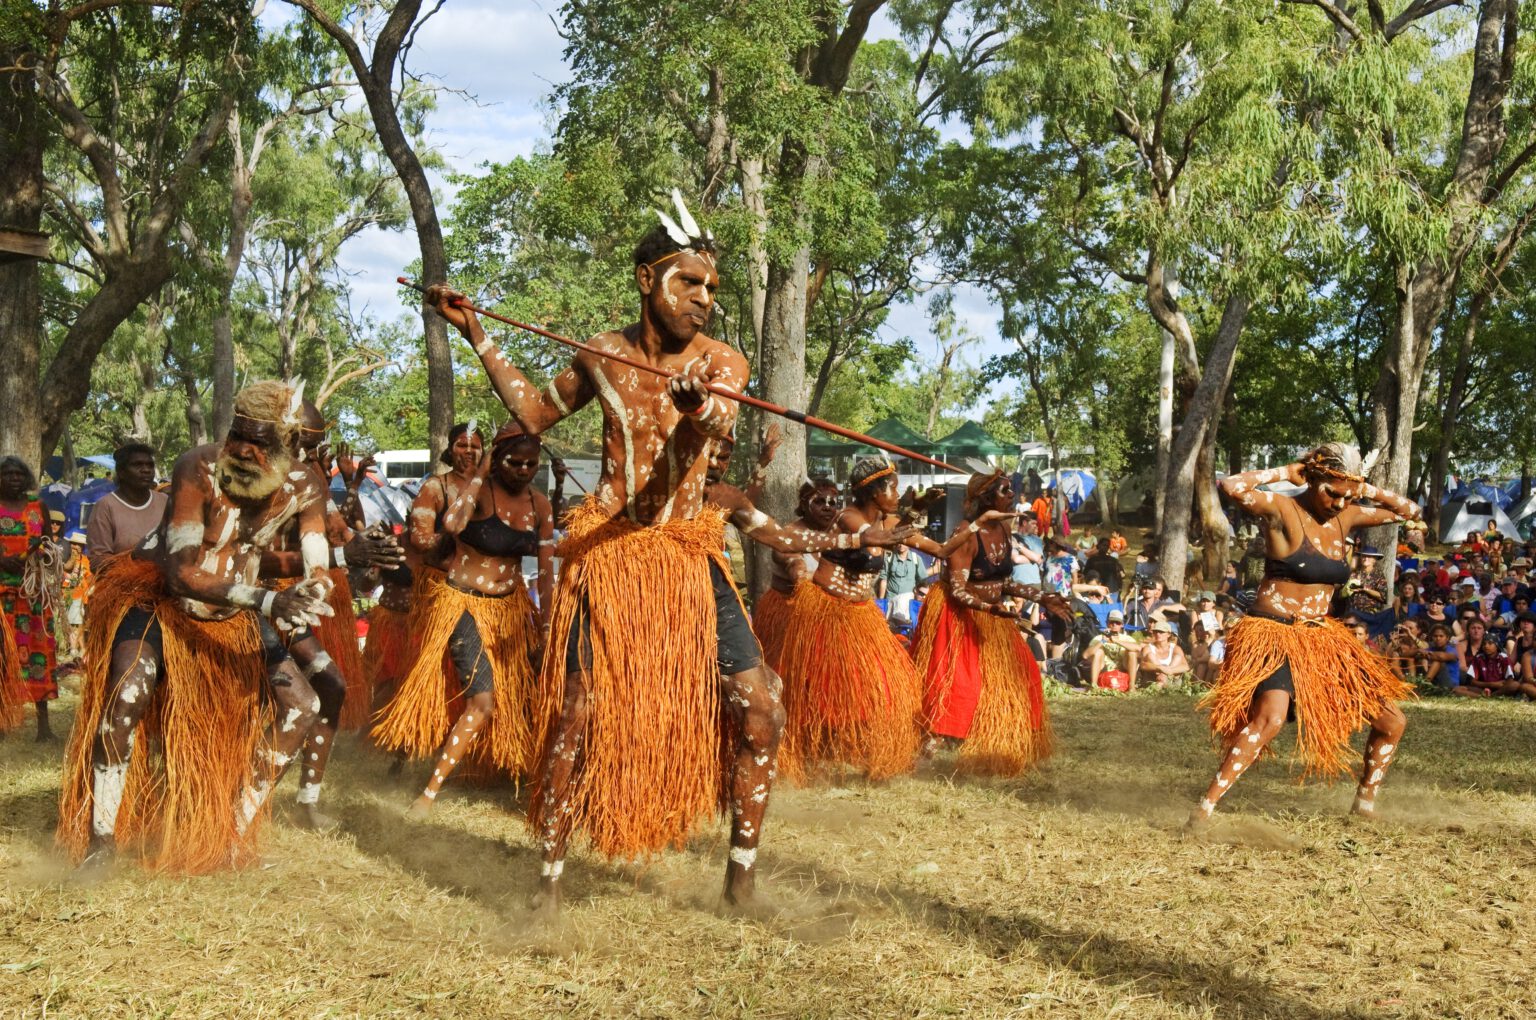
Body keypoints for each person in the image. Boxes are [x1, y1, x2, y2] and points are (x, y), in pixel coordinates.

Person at [429, 198, 782, 916]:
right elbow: (533, 415)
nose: (705, 301)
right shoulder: (602, 355)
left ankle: (740, 882)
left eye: (713, 289)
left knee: (759, 714)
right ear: (648, 278)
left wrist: (694, 407)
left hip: (687, 557)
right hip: (610, 557)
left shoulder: (722, 364)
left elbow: (720, 422)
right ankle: (550, 884)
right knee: (574, 716)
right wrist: (478, 336)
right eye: (690, 284)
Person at [57, 381, 338, 872]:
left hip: (236, 611)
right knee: (127, 695)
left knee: (303, 707)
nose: (244, 450)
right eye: (237, 435)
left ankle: (228, 837)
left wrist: (318, 584)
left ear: (292, 447)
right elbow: (181, 571)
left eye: (260, 442)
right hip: (161, 600)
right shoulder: (200, 467)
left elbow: (315, 551)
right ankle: (101, 841)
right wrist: (271, 599)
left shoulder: (306, 486)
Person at [1190, 443, 1420, 831]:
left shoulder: (1346, 516)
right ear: (1311, 478)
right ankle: (1204, 809)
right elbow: (1231, 485)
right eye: (1331, 490)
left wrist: (1362, 489)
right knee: (1271, 719)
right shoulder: (1283, 509)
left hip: (1321, 640)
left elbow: (1409, 512)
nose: (1337, 501)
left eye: (1345, 495)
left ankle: (1364, 803)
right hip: (1272, 635)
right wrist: (1283, 472)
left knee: (1392, 721)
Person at [374, 423, 554, 816]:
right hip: (457, 604)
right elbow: (435, 535)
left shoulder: (539, 505)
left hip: (509, 611)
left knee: (521, 689)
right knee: (457, 692)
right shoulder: (445, 489)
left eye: (531, 464)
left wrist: (545, 623)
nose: (523, 470)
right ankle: (424, 789)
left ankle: (497, 769)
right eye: (462, 445)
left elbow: (545, 573)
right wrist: (479, 478)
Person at [912, 469, 1055, 775]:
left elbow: (1003, 583)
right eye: (1005, 491)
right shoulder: (966, 532)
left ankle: (1006, 743)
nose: (1011, 495)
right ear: (987, 499)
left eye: (1010, 490)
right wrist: (990, 610)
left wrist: (1042, 596)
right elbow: (959, 589)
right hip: (958, 616)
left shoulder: (1003, 529)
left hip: (992, 613)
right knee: (959, 683)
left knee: (1024, 672)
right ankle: (928, 748)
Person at [0, 456, 57, 741]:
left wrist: (42, 557)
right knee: (2, 658)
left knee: (39, 656)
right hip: (2, 597)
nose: (14, 479)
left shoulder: (38, 508)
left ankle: (43, 727)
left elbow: (49, 545)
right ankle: (2, 723)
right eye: (7, 474)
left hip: (33, 595)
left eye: (18, 474)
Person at [754, 479, 838, 671]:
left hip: (824, 617)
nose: (827, 508)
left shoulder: (838, 533)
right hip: (790, 616)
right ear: (803, 505)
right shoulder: (789, 535)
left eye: (832, 503)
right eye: (819, 502)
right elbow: (797, 572)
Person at [85, 442, 168, 561]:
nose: (146, 470)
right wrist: (136, 567)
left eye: (150, 465)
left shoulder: (165, 502)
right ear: (121, 472)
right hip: (122, 578)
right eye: (137, 465)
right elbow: (99, 559)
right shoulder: (105, 506)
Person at [1082, 608, 1139, 689]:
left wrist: (1116, 641)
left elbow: (1138, 649)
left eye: (1117, 623)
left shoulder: (1127, 638)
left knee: (1132, 652)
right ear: (1107, 623)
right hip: (1104, 671)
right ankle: (1094, 685)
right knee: (1098, 652)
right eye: (1112, 622)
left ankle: (1131, 685)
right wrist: (1102, 641)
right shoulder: (1099, 638)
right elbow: (1085, 655)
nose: (1114, 625)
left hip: (1123, 669)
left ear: (1122, 624)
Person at [1137, 622, 1190, 688]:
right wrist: (1159, 668)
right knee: (1150, 655)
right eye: (1155, 632)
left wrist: (1169, 671)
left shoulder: (1175, 648)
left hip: (1171, 679)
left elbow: (1186, 667)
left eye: (1161, 632)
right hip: (1153, 679)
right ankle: (1159, 685)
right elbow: (1143, 665)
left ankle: (1160, 685)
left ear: (1168, 634)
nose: (1158, 634)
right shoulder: (1148, 648)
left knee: (1178, 657)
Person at [879, 542, 922, 622]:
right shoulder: (889, 557)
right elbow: (884, 579)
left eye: (904, 543)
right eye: (899, 542)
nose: (901, 545)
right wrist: (881, 602)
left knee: (905, 627)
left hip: (907, 603)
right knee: (888, 626)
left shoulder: (916, 558)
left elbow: (923, 581)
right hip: (891, 601)